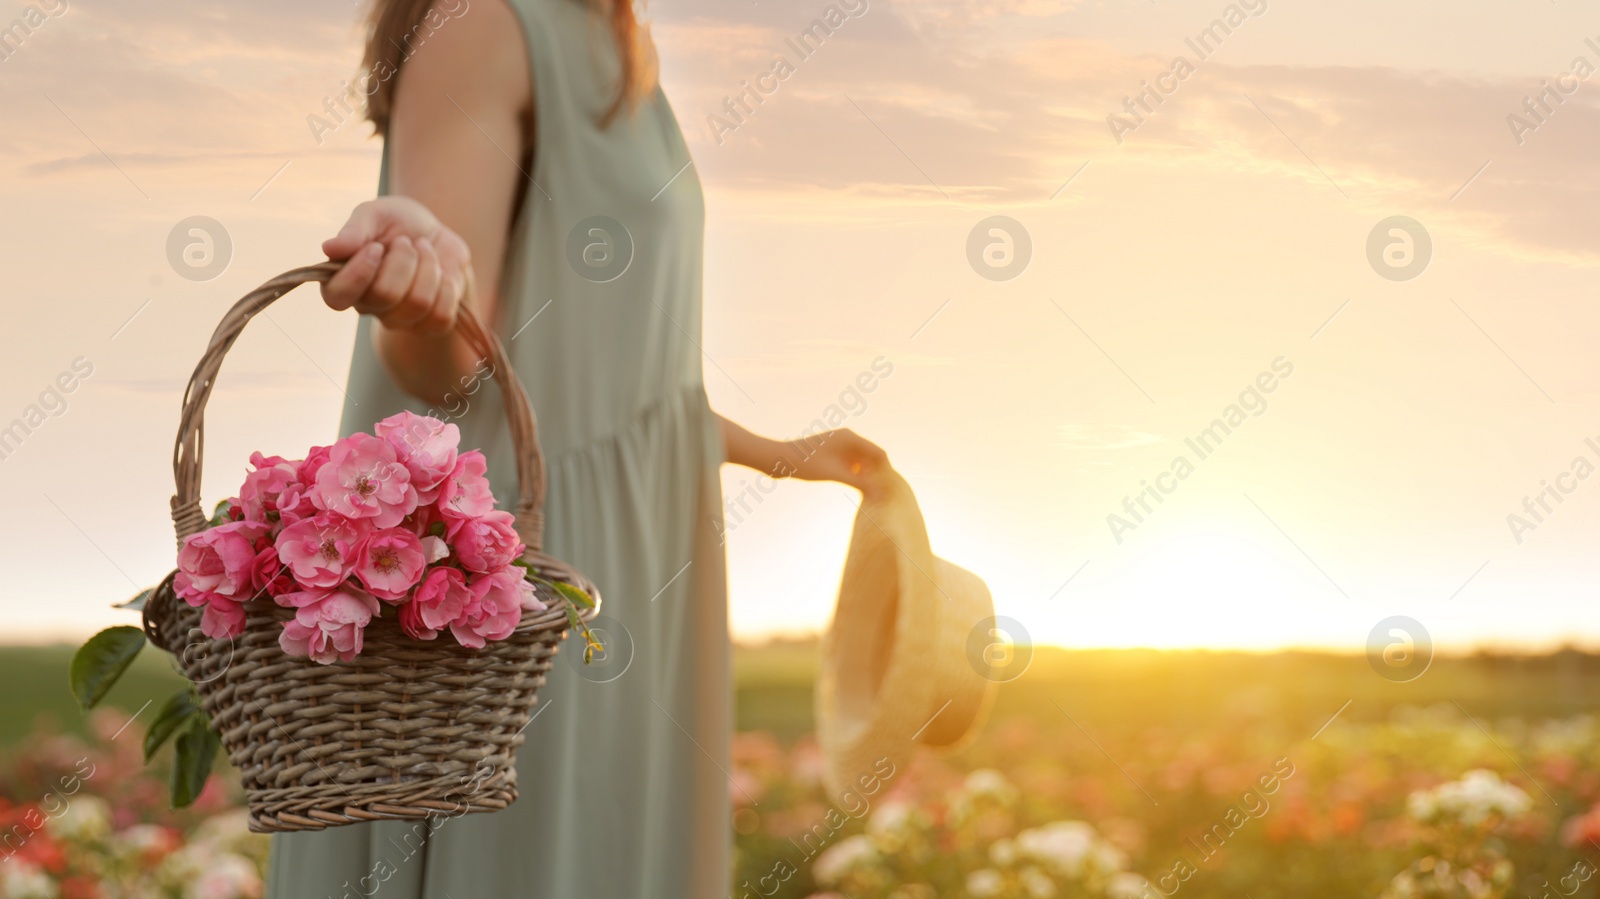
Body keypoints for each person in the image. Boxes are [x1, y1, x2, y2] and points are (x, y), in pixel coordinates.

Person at [264, 0, 888, 896]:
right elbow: (444, 369)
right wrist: (414, 293)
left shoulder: (620, 43)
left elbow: (607, 372)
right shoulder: (488, 21)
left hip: (642, 550)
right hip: (518, 569)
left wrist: (769, 450)